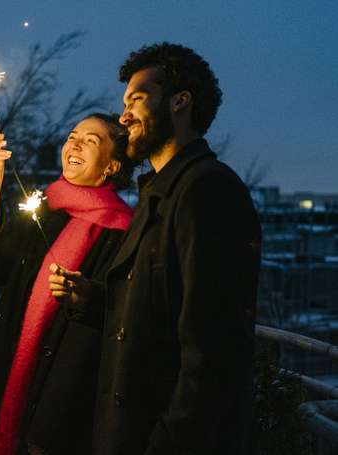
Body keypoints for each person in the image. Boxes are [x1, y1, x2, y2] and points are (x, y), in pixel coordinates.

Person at [89, 43, 261, 454]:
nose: (123, 115)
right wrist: (91, 299)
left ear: (180, 101)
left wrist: (167, 444)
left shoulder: (208, 191)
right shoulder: (161, 194)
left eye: (137, 99)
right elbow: (153, 312)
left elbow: (213, 351)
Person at [0, 113, 134, 455]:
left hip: (63, 394)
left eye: (91, 140)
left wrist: (86, 295)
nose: (75, 142)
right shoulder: (44, 209)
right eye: (73, 134)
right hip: (5, 372)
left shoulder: (123, 232)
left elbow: (124, 312)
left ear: (112, 167)